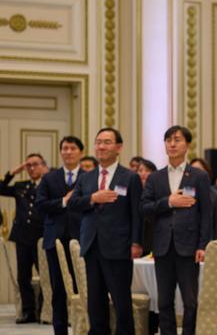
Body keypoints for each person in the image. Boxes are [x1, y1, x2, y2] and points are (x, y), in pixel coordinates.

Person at [69, 127, 143, 335]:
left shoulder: (130, 177)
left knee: (121, 300)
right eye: (98, 142)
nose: (101, 146)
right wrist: (93, 198)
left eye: (107, 142)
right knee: (95, 300)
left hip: (119, 247)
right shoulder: (86, 178)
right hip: (92, 245)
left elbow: (137, 214)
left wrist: (136, 242)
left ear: (119, 147)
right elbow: (73, 203)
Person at [141, 126, 212, 335]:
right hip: (162, 246)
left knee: (190, 301)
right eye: (168, 140)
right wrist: (169, 202)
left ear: (187, 145)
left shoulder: (199, 176)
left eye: (177, 140)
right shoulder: (155, 178)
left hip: (189, 247)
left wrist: (203, 245)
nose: (172, 144)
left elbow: (206, 213)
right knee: (164, 300)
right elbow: (144, 208)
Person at [36, 135, 85, 335]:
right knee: (58, 290)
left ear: (81, 152)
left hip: (82, 238)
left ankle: (83, 328)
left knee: (84, 289)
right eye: (65, 148)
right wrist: (63, 201)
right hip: (54, 239)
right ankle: (60, 331)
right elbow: (40, 204)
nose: (68, 152)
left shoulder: (89, 176)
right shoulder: (49, 178)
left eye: (73, 148)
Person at [0, 154, 47, 323]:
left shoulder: (49, 184)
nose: (32, 168)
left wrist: (47, 173)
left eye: (35, 164)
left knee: (45, 275)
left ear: (43, 166)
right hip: (22, 236)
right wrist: (14, 172)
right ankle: (28, 312)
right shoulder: (21, 185)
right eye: (29, 165)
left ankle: (43, 310)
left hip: (41, 236)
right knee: (23, 276)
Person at [189, 157, 217, 240]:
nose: (195, 173)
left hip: (207, 241)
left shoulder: (215, 195)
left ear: (207, 173)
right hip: (186, 242)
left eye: (198, 170)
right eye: (192, 170)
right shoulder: (184, 193)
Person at [136, 159, 157, 256]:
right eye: (140, 170)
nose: (143, 173)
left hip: (152, 235)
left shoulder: (157, 191)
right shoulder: (133, 190)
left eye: (147, 170)